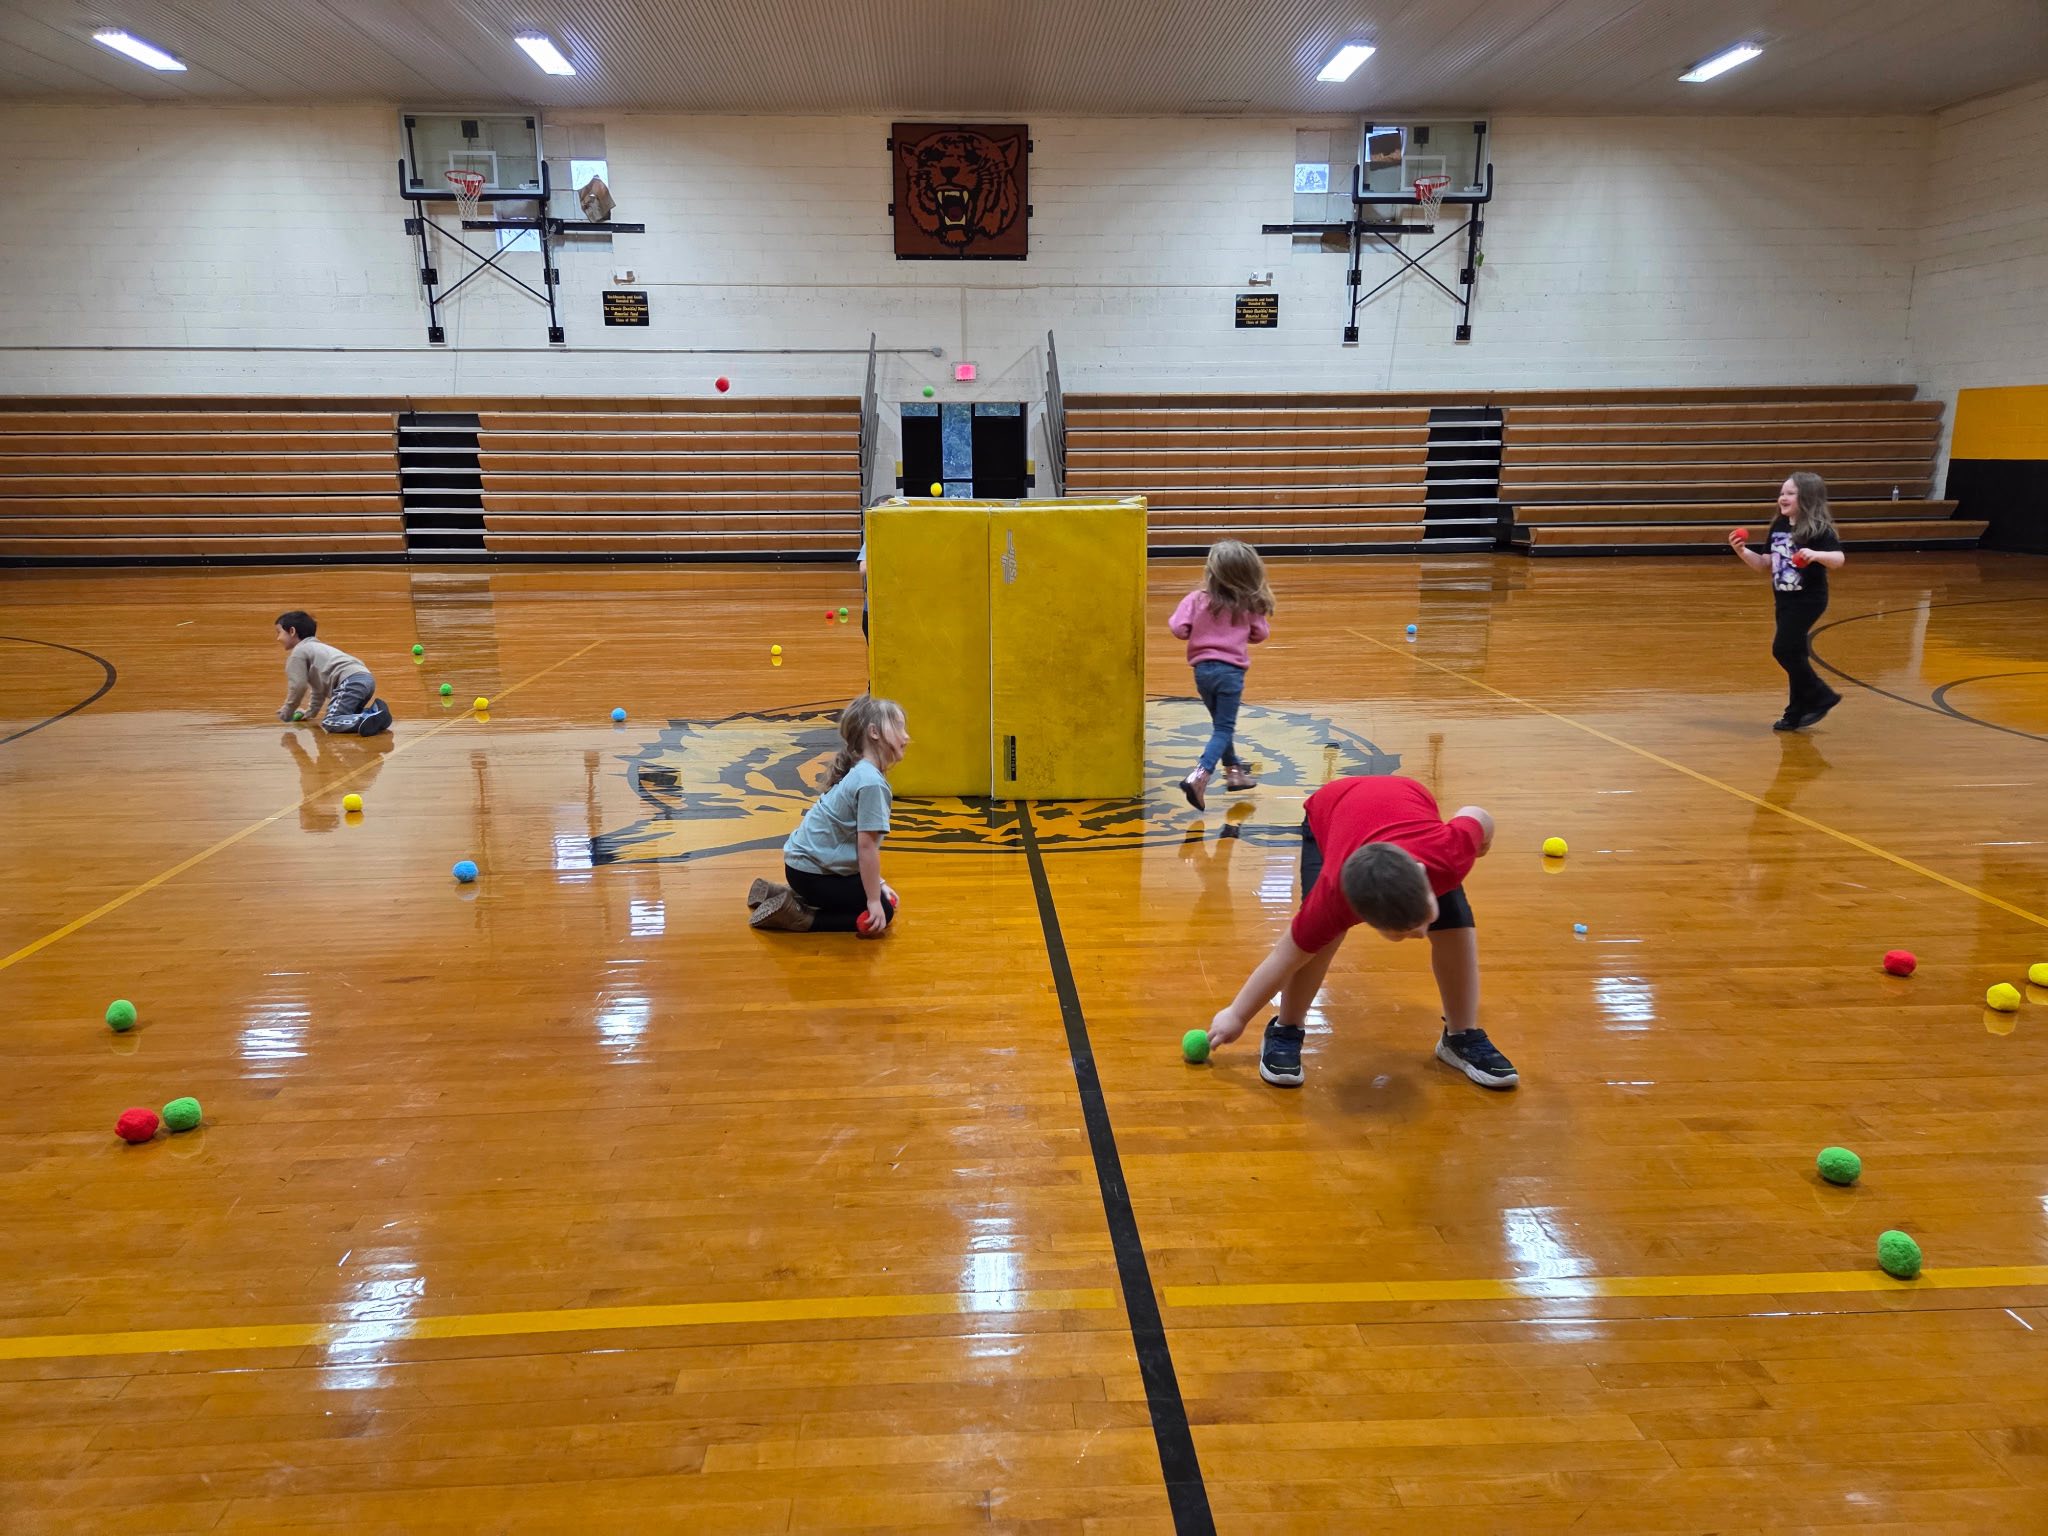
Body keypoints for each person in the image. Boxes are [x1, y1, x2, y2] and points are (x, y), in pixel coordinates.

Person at [1201, 774, 1518, 1091]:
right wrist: (1236, 1015)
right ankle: (1286, 1028)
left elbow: (1477, 814)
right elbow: (1284, 957)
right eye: (1403, 932)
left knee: (1456, 926)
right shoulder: (1333, 898)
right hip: (1331, 809)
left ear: (1422, 878)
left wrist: (1484, 842)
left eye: (1423, 916)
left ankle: (1460, 1035)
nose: (1422, 933)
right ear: (1361, 916)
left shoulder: (1449, 852)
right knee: (1318, 942)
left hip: (1406, 801)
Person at [749, 694, 907, 934]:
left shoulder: (862, 772)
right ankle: (800, 916)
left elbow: (853, 850)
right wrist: (874, 900)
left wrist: (878, 883)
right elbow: (866, 848)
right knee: (884, 911)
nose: (906, 736)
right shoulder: (871, 782)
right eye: (898, 727)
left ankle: (780, 893)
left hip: (801, 870)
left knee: (876, 892)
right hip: (812, 875)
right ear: (874, 732)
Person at [1727, 472, 1846, 731]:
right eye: (1782, 492)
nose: (1783, 497)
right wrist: (1742, 551)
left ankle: (1821, 696)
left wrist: (1815, 554)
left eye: (1790, 493)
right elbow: (1765, 564)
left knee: (1783, 649)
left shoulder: (1818, 529)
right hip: (1784, 599)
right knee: (1795, 653)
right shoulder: (1779, 526)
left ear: (1807, 498)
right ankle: (1795, 712)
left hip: (1809, 598)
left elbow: (1838, 559)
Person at [1169, 539, 1273, 810]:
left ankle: (1235, 773)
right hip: (1231, 674)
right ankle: (1200, 774)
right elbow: (1260, 634)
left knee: (1220, 725)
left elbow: (1179, 629)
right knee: (1223, 728)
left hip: (1202, 672)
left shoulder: (1196, 598)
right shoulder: (1248, 603)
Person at [275, 611, 391, 737]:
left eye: (279, 632)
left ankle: (367, 717)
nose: (278, 638)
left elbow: (298, 686)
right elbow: (318, 690)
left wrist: (288, 710)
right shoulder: (317, 647)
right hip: (365, 678)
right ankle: (374, 712)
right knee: (346, 715)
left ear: (292, 631)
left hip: (350, 681)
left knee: (331, 721)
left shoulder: (298, 653)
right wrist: (310, 713)